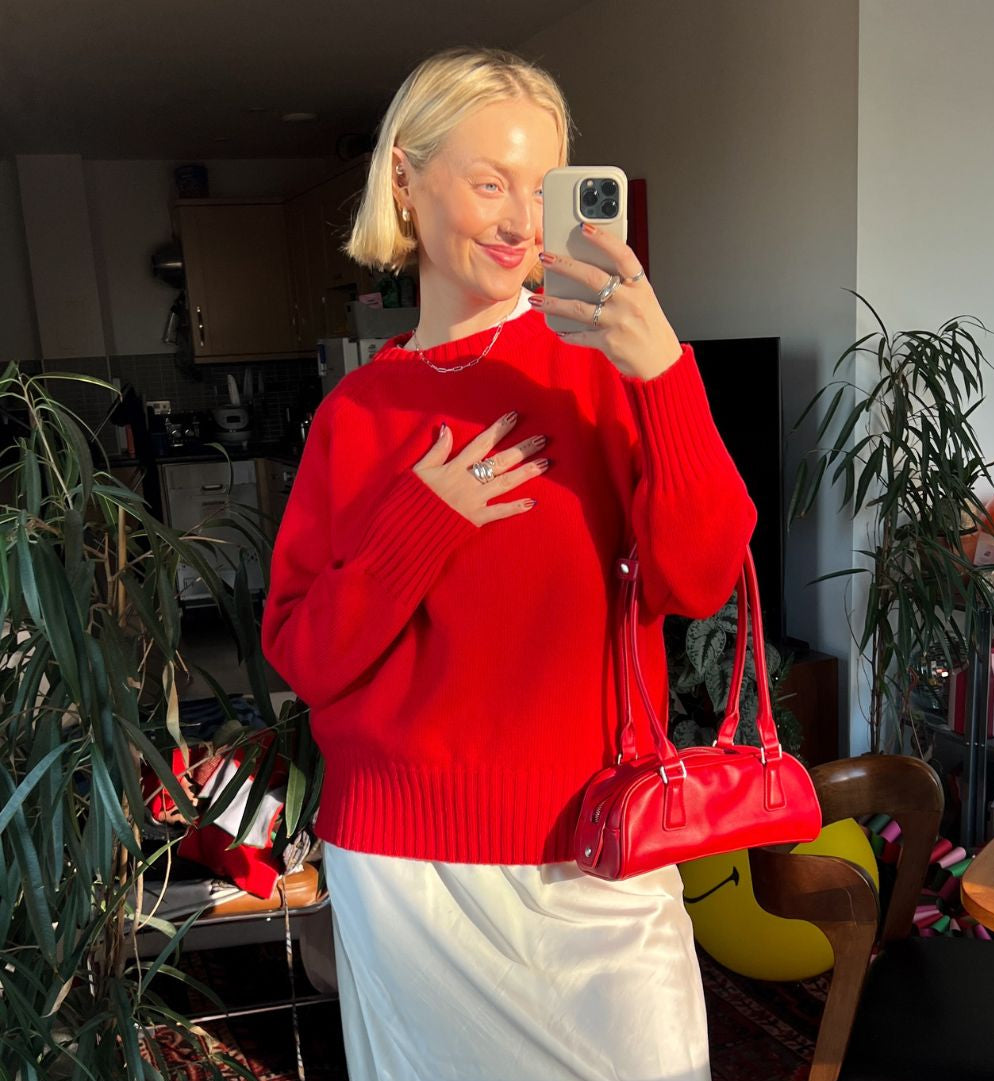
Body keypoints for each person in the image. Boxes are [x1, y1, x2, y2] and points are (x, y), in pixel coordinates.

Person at [261, 44, 756, 1081]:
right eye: (490, 183)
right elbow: (306, 655)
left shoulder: (608, 371)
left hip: (599, 854)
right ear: (406, 179)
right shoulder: (357, 413)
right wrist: (420, 522)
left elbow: (704, 576)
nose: (521, 222)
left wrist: (665, 375)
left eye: (540, 189)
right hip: (406, 875)